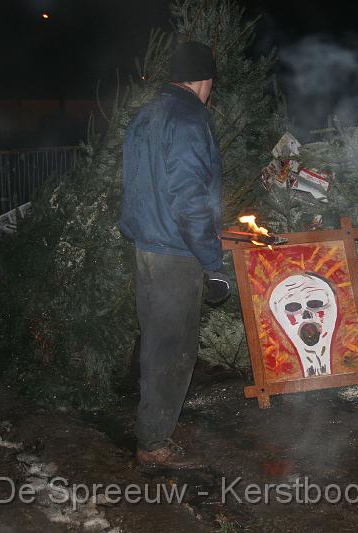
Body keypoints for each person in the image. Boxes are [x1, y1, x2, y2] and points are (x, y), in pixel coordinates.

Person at [119, 41, 230, 468]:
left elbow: (134, 185)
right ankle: (153, 443)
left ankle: (153, 426)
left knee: (156, 341)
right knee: (173, 348)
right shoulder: (188, 120)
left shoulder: (145, 117)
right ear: (205, 80)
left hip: (146, 245)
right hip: (176, 252)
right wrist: (211, 261)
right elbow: (189, 199)